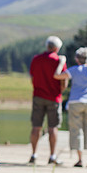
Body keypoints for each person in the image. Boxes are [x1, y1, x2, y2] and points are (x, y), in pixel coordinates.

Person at [28, 36, 68, 165]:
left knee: (36, 127)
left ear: (47, 46)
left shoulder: (36, 59)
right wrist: (60, 92)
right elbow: (64, 81)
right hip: (54, 98)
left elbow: (32, 77)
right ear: (57, 48)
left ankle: (34, 154)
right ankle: (52, 156)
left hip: (38, 96)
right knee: (53, 128)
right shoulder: (59, 60)